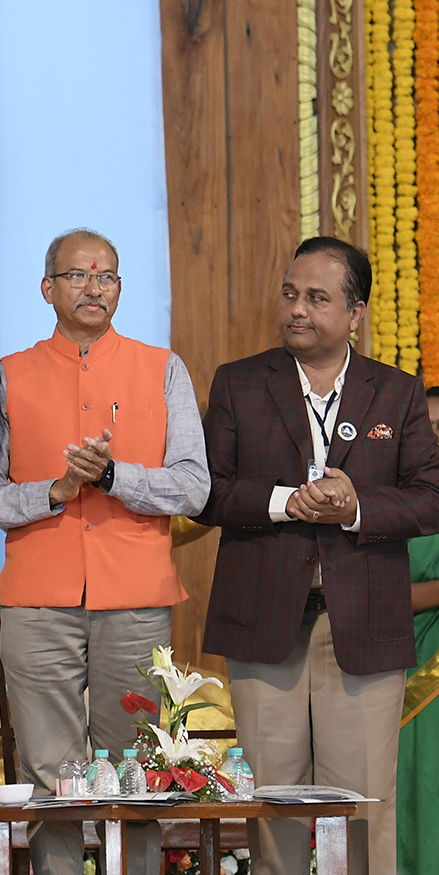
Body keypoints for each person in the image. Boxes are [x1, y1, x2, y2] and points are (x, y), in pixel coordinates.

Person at [195, 236, 439, 875]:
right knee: (271, 809)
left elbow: (430, 497)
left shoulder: (397, 392)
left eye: (316, 298)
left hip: (363, 625)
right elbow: (206, 493)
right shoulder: (240, 382)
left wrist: (356, 507)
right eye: (290, 294)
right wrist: (287, 502)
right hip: (263, 623)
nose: (297, 309)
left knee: (361, 809)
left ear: (355, 312)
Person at [0, 229, 208, 875]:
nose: (93, 287)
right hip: (36, 600)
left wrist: (113, 477)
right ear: (47, 288)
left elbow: (194, 487)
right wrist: (53, 491)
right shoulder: (8, 375)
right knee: (50, 774)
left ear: (120, 289)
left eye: (106, 276)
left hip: (135, 597)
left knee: (136, 766)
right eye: (77, 275)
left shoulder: (162, 367)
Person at [398, 386, 439, 874]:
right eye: (426, 430)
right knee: (416, 786)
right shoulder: (389, 503)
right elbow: (378, 594)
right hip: (405, 666)